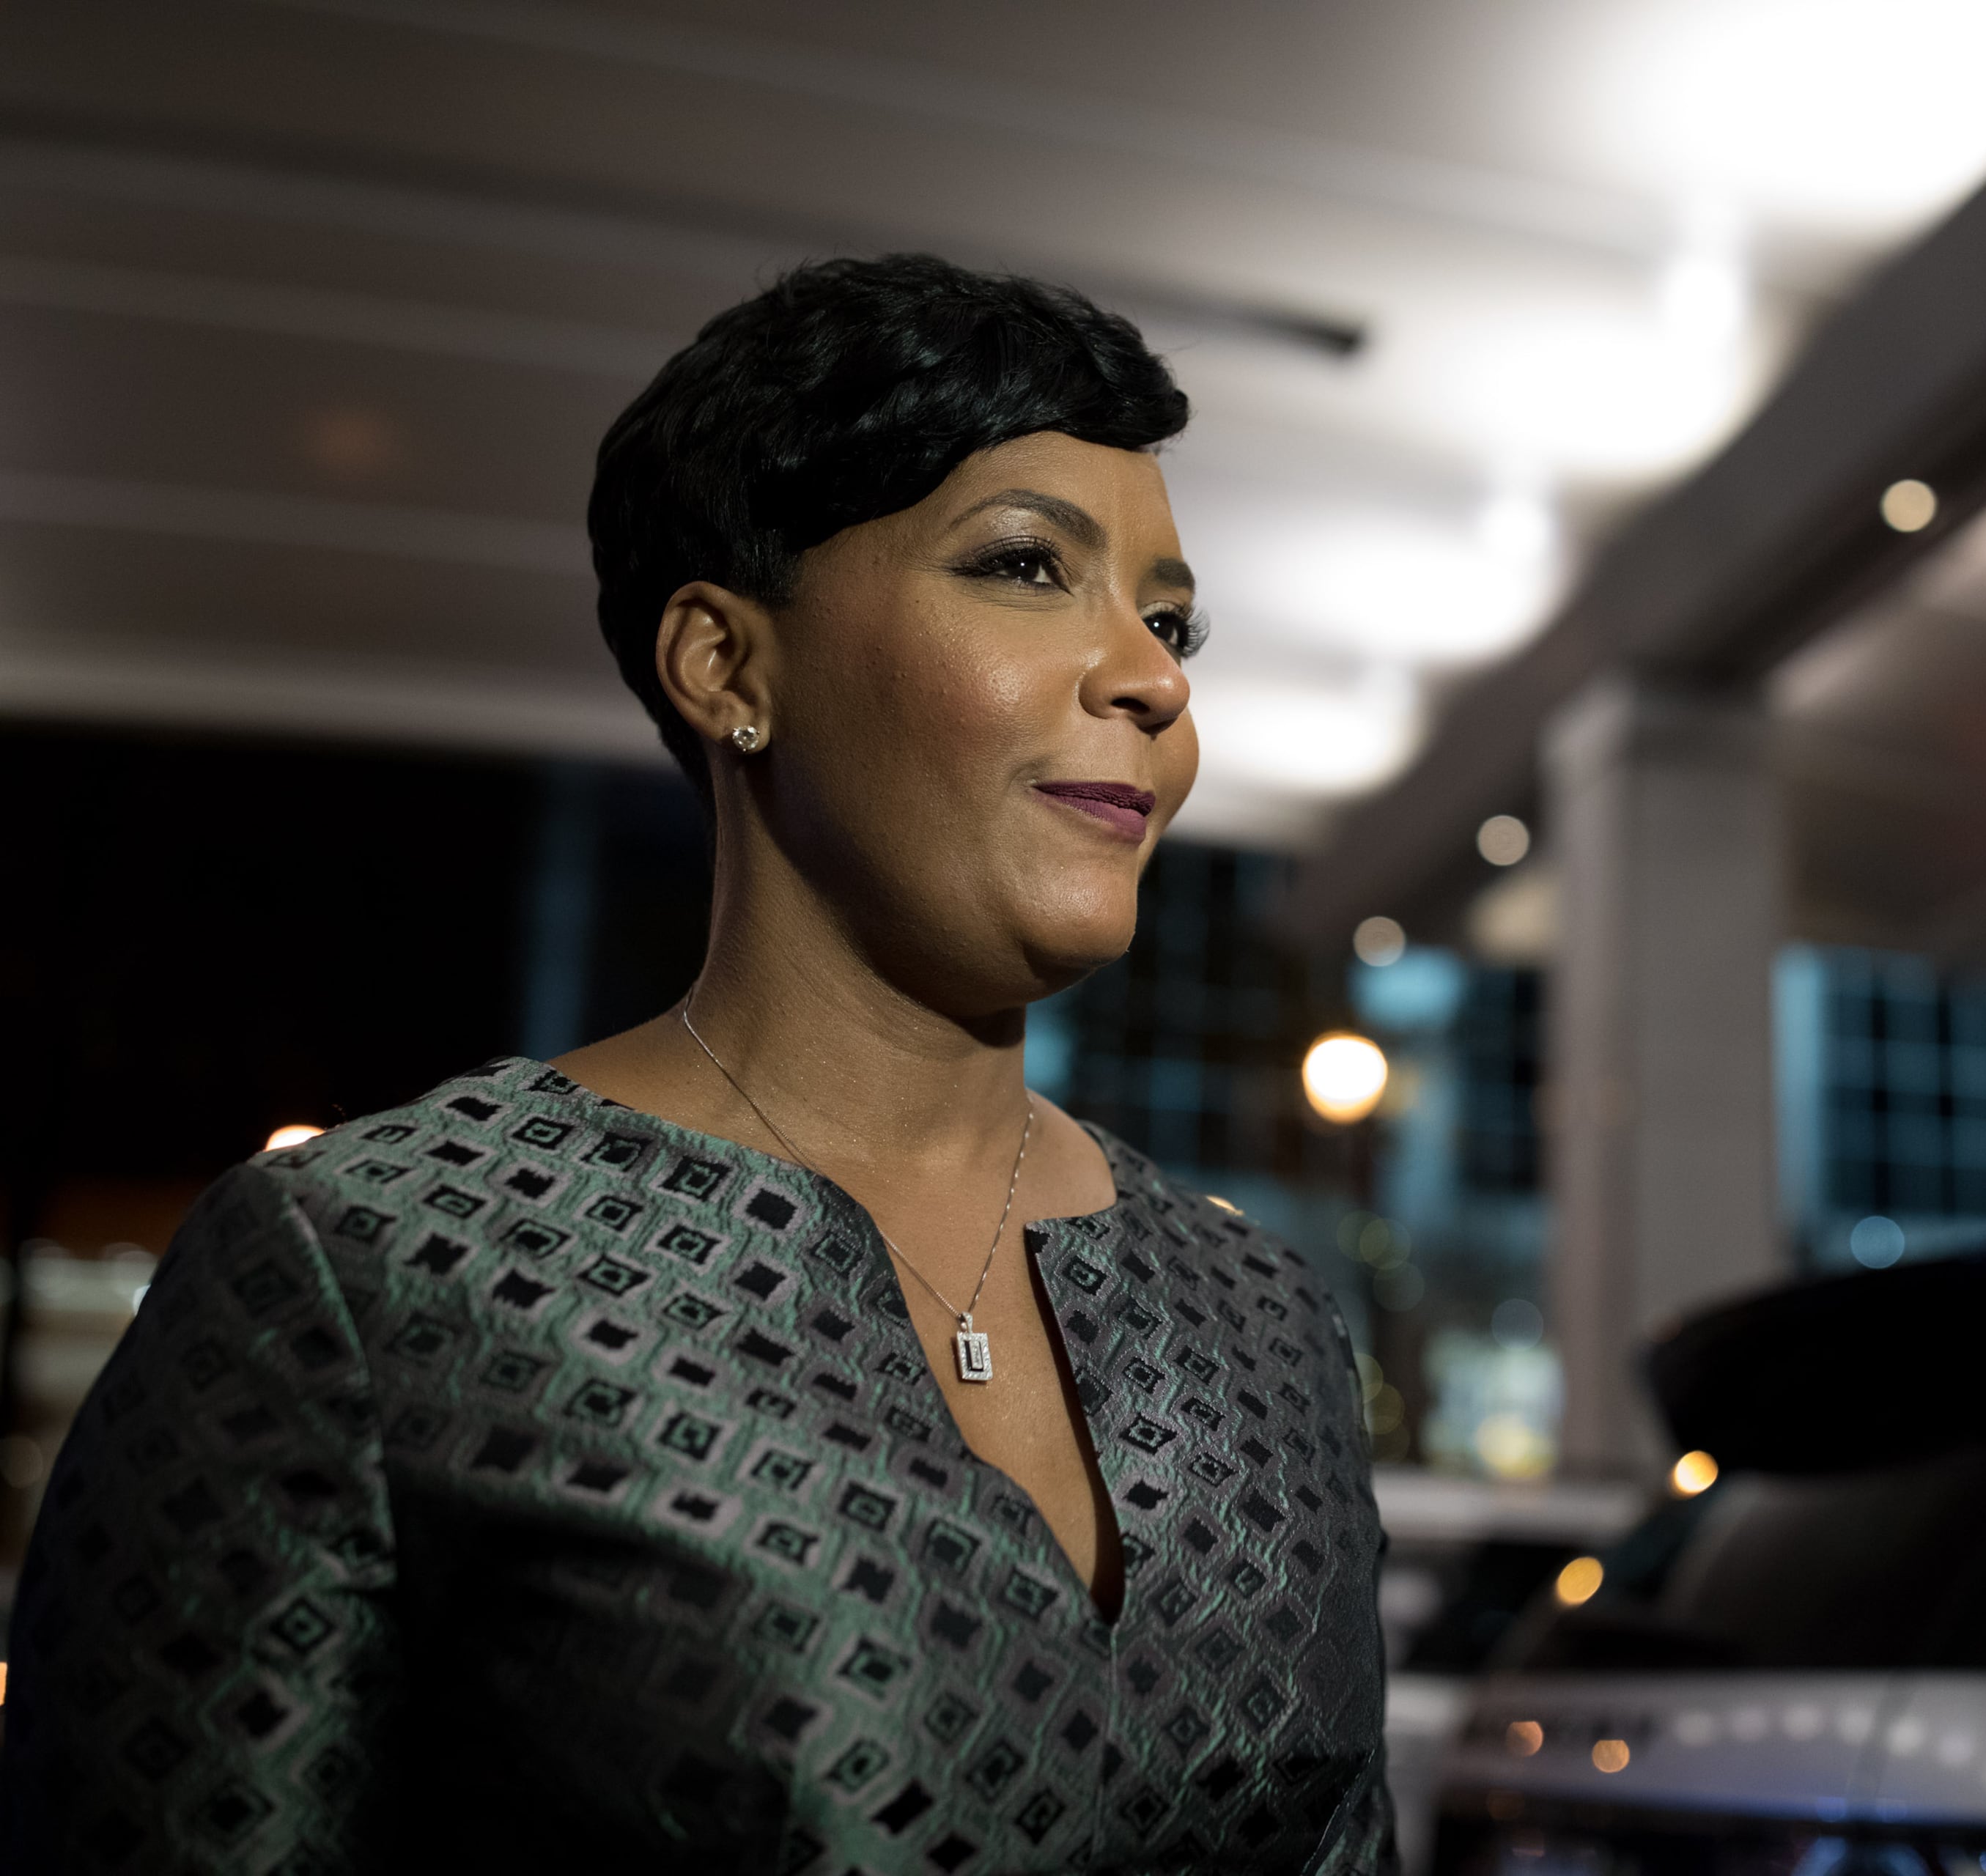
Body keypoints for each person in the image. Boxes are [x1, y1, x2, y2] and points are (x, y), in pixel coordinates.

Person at [0, 255, 1395, 1874]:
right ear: (727, 666)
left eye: (1170, 618)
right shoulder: (377, 1271)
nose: (1155, 677)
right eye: (1026, 566)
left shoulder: (1264, 1326)